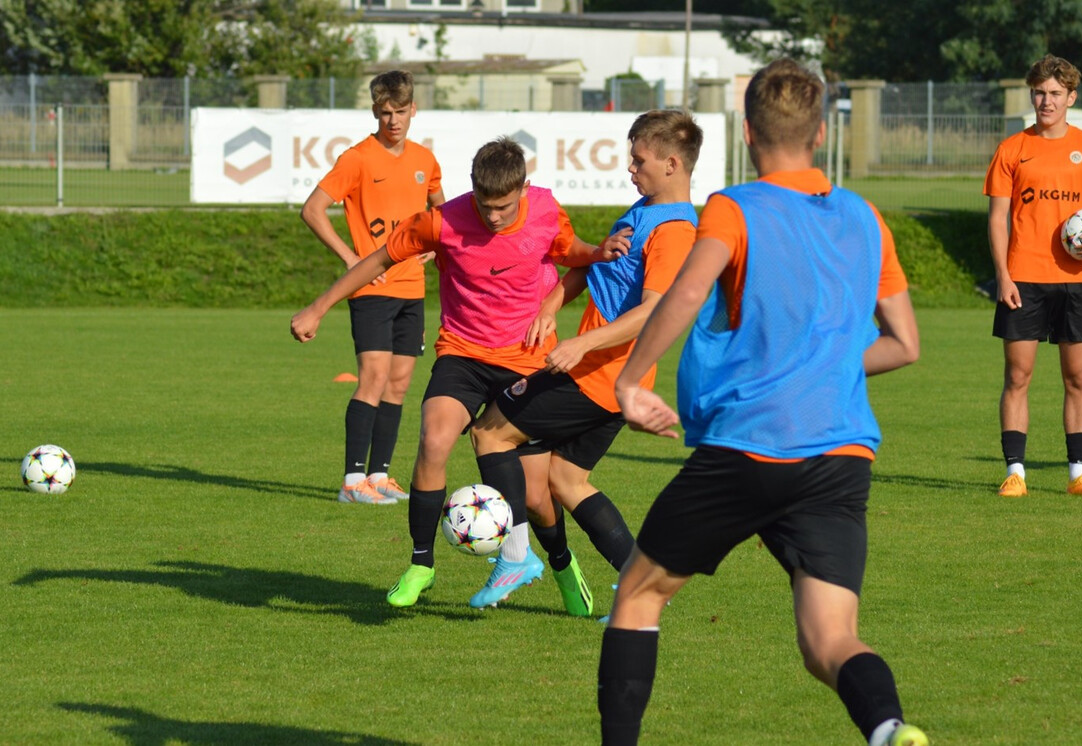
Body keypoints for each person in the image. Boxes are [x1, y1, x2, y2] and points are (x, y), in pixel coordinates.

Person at [595, 59, 927, 746]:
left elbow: (687, 293)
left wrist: (631, 381)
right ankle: (891, 729)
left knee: (639, 593)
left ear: (747, 131)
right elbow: (904, 345)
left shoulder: (734, 206)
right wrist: (819, 366)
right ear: (816, 132)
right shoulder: (864, 216)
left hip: (751, 445)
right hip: (841, 454)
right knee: (830, 641)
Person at [291, 137, 626, 608]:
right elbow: (379, 260)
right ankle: (421, 565)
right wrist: (319, 306)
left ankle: (560, 563)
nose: (493, 217)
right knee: (433, 440)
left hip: (527, 358)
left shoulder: (548, 209)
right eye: (486, 206)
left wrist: (600, 250)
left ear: (524, 189)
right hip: (463, 353)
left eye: (505, 208)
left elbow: (571, 252)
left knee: (534, 494)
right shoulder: (441, 220)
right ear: (472, 189)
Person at [470, 109, 702, 616]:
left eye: (638, 159)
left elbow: (653, 313)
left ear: (670, 163)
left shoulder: (676, 233)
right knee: (563, 482)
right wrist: (553, 304)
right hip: (607, 377)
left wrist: (582, 345)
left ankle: (515, 556)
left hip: (599, 376)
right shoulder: (642, 212)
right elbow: (596, 267)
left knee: (489, 433)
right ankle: (638, 583)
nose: (630, 167)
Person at [301, 70, 445, 506]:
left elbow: (445, 214)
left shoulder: (425, 160)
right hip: (372, 289)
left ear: (413, 109)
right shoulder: (357, 158)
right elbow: (312, 210)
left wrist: (436, 249)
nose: (393, 120)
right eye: (385, 113)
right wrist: (352, 260)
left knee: (399, 384)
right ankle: (351, 481)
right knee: (373, 378)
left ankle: (379, 476)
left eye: (400, 111)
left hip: (412, 290)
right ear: (374, 112)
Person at [984, 53, 1082, 499]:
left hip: (1079, 280)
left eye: (1055, 93)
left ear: (1071, 97)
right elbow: (998, 219)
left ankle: (1079, 475)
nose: (1046, 100)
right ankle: (1015, 472)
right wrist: (1003, 275)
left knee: (1079, 379)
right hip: (1024, 280)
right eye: (1039, 92)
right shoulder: (1012, 149)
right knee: (1018, 376)